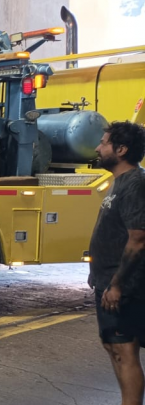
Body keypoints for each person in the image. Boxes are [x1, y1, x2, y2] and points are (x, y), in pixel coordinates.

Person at [88, 121, 145, 405]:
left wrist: (117, 285)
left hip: (123, 287)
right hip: (107, 282)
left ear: (121, 150)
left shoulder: (135, 183)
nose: (98, 147)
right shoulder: (121, 182)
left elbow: (138, 238)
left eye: (104, 143)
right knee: (114, 347)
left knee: (124, 350)